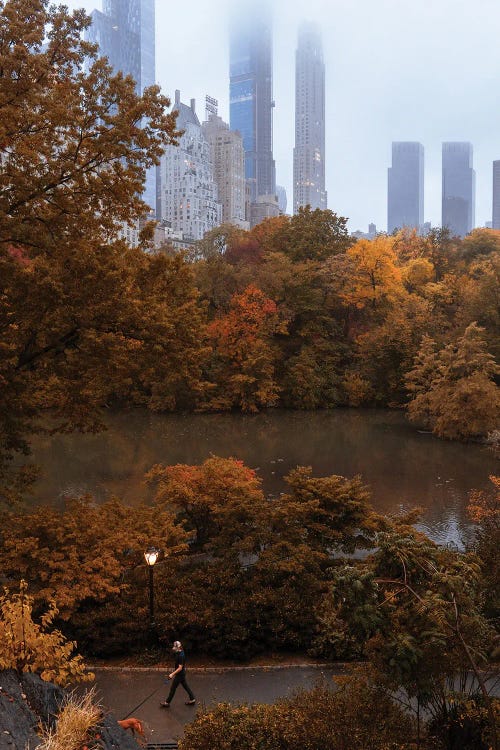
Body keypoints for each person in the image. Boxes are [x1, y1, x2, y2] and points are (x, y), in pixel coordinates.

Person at [160, 640, 196, 707]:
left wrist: (172, 674)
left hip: (180, 675)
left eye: (175, 647)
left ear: (179, 647)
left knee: (173, 688)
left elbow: (180, 668)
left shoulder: (181, 655)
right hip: (181, 674)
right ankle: (192, 699)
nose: (174, 649)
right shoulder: (178, 652)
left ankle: (167, 703)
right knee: (186, 687)